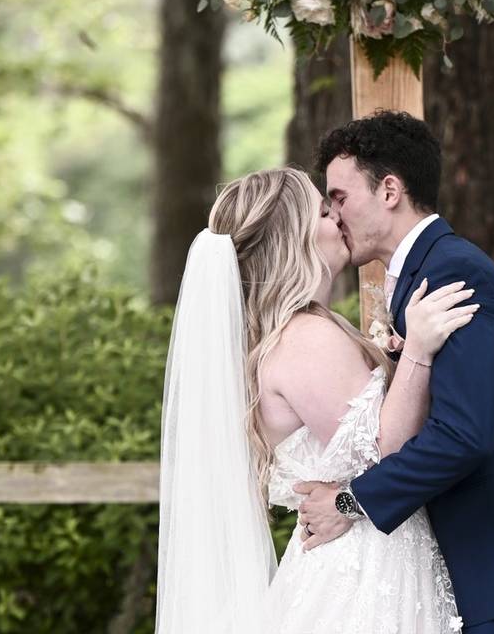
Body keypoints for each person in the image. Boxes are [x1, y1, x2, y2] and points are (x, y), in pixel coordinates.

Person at [293, 110, 494, 634]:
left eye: (340, 197)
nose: (334, 215)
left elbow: (463, 435)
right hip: (484, 575)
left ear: (390, 190)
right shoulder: (421, 273)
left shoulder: (454, 272)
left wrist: (350, 501)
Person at [154, 166, 477, 633]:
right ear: (294, 238)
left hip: (360, 553)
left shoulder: (294, 334)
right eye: (325, 211)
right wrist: (420, 352)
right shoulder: (305, 339)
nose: (339, 217)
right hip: (367, 573)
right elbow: (386, 450)